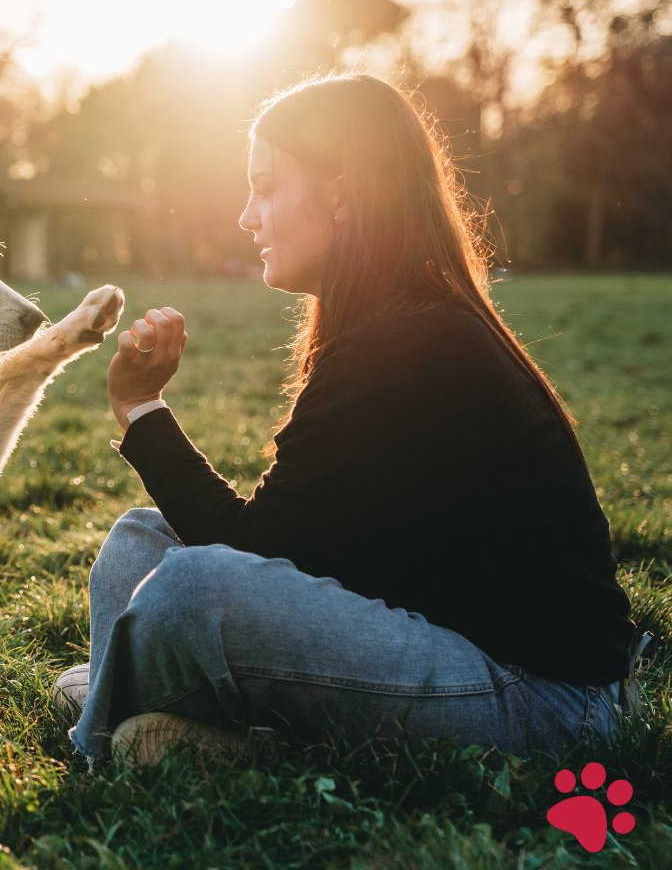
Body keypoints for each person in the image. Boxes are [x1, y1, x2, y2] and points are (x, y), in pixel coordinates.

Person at [55, 72, 636, 767]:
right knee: (140, 540)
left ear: (339, 193)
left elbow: (250, 552)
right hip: (437, 632)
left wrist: (141, 410)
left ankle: (115, 724)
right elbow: (305, 552)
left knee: (193, 586)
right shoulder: (391, 327)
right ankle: (163, 717)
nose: (247, 216)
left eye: (266, 188)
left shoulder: (411, 341)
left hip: (544, 702)